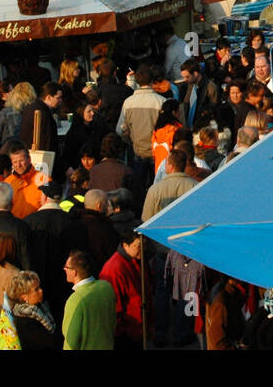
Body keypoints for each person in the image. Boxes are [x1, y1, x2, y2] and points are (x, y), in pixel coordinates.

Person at [24, 184, 73, 324]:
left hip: (38, 282)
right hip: (64, 282)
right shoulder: (70, 222)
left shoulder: (30, 221)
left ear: (44, 197)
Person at [99, 219, 147, 349]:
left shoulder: (135, 261)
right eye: (138, 246)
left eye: (144, 245)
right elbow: (114, 307)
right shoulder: (115, 269)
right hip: (127, 333)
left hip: (137, 328)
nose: (142, 249)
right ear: (125, 245)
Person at [61, 249, 116, 350]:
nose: (64, 269)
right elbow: (113, 323)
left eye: (66, 267)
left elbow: (70, 341)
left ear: (74, 272)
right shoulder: (106, 287)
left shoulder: (76, 299)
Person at [6, 270, 61, 350]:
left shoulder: (40, 308)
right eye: (36, 289)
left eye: (40, 287)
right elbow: (49, 343)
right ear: (24, 296)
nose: (41, 290)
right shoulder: (25, 320)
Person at [142, 150, 198, 220]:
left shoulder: (155, 190)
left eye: (166, 162)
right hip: (189, 230)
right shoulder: (196, 187)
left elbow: (146, 219)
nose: (164, 164)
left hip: (161, 230)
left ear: (171, 166)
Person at [4, 145, 48, 219]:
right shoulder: (8, 182)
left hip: (34, 226)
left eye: (21, 161)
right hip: (12, 226)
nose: (18, 165)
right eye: (15, 162)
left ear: (29, 160)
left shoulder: (44, 180)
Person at [20, 82, 62, 154]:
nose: (61, 100)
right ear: (48, 97)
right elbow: (47, 139)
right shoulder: (43, 113)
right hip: (41, 156)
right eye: (58, 98)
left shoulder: (30, 107)